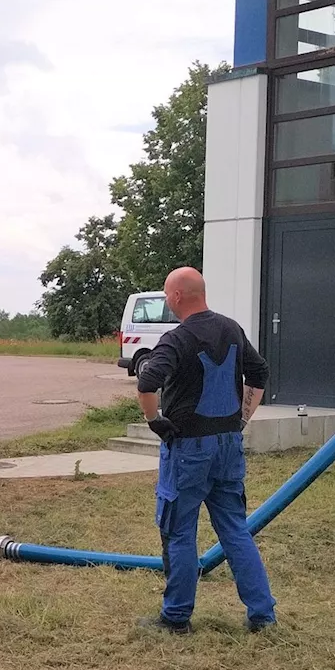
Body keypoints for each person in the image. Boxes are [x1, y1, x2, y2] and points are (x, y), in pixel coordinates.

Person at [134, 267, 276, 635]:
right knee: (235, 530)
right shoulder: (231, 328)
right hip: (228, 446)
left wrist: (155, 420)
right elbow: (259, 373)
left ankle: (176, 617)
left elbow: (147, 381)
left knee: (179, 532)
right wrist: (242, 419)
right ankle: (262, 615)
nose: (167, 300)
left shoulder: (176, 338)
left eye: (167, 294)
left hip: (188, 451)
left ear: (178, 296)